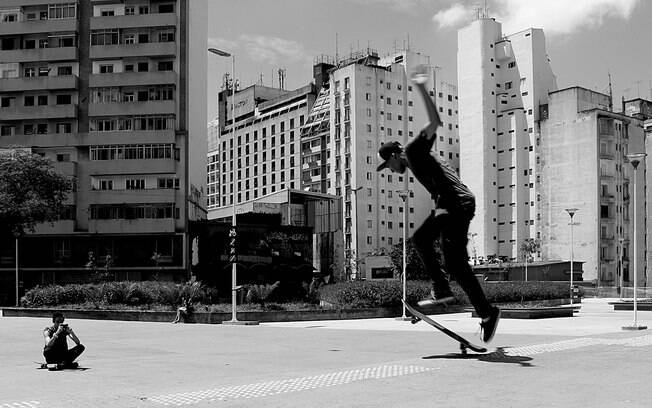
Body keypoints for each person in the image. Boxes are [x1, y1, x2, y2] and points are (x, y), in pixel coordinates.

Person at [376, 64, 501, 343]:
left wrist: (421, 88)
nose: (392, 170)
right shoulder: (420, 163)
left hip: (454, 205)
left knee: (420, 240)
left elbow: (434, 121)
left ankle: (441, 289)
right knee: (456, 265)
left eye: (390, 164)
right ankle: (487, 313)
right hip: (457, 205)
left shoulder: (413, 151)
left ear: (396, 155)